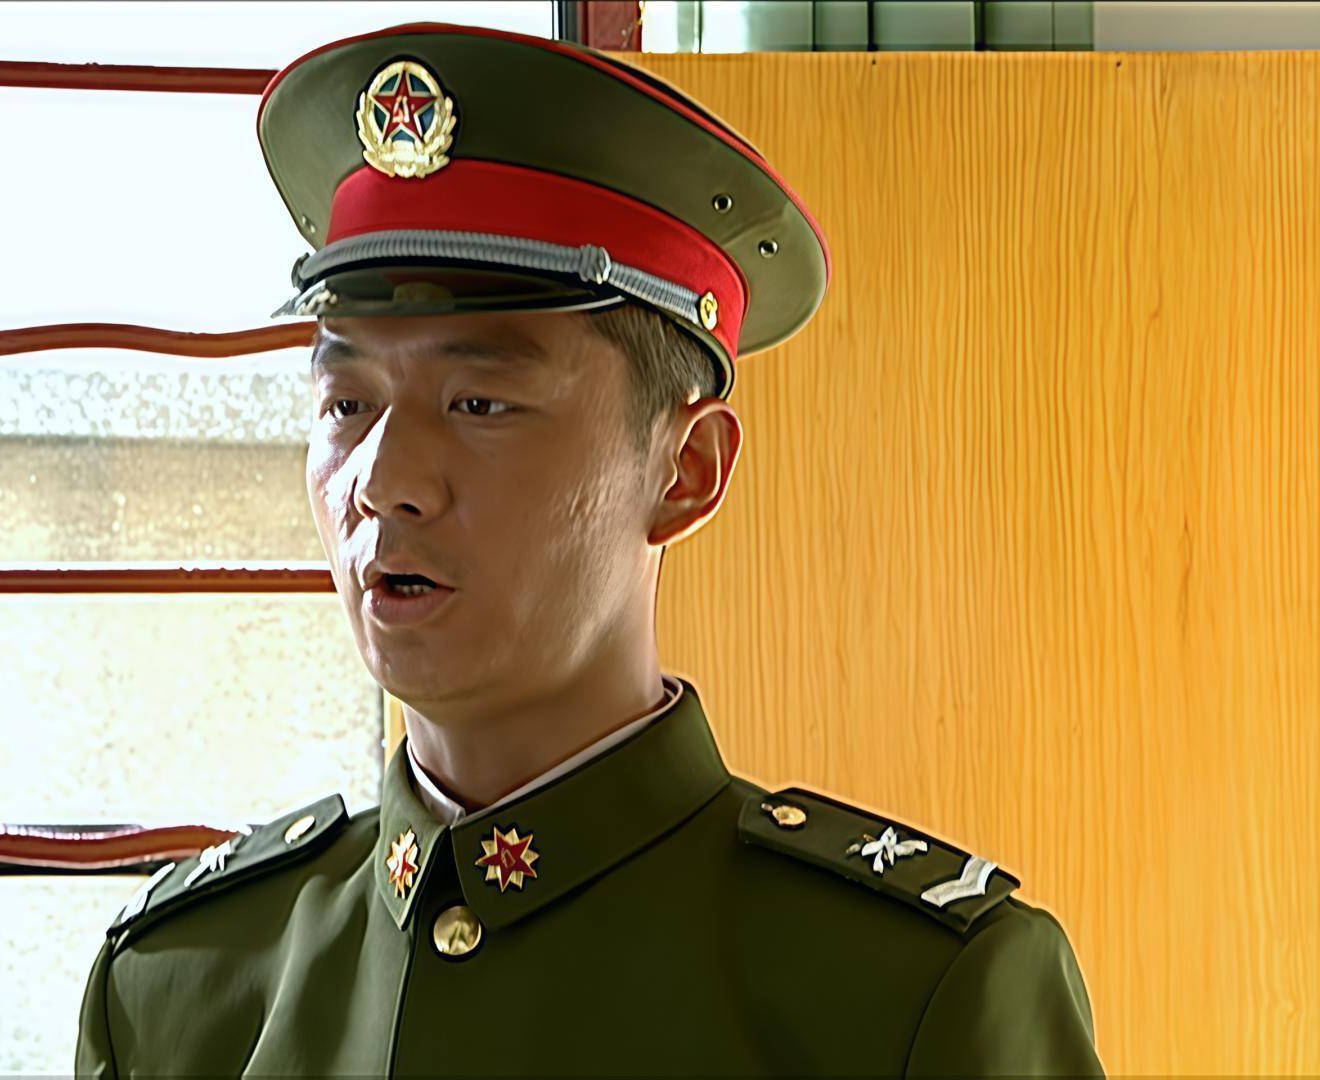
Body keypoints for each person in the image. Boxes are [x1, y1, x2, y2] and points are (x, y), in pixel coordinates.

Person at [76, 21, 1103, 1077]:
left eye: (480, 402)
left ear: (685, 469)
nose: (382, 480)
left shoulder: (909, 996)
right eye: (347, 403)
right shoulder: (178, 989)